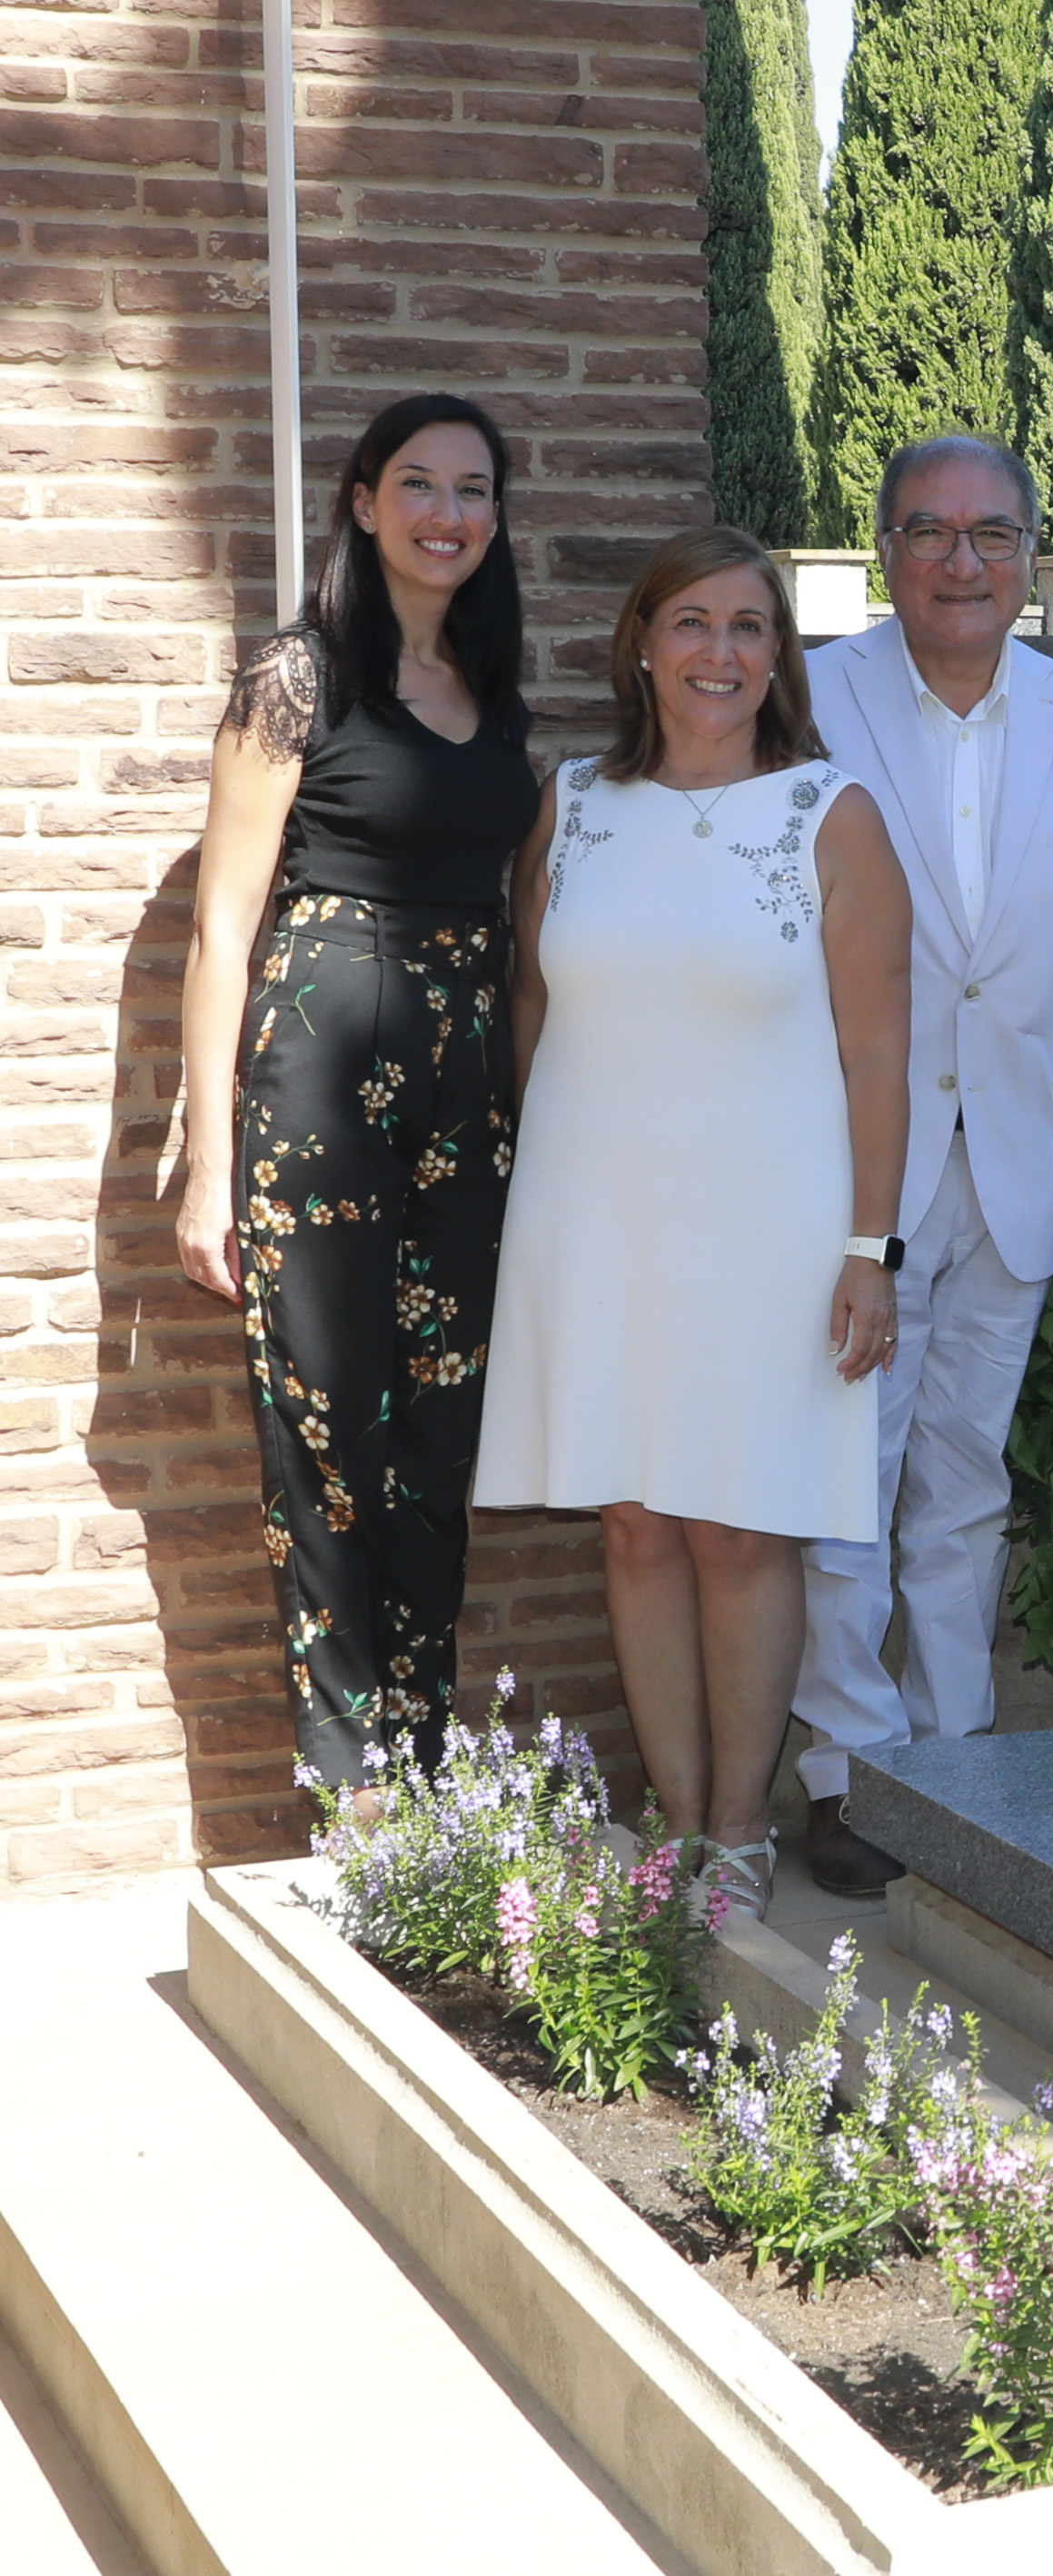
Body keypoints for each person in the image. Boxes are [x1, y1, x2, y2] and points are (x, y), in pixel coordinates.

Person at [477, 528, 909, 1920]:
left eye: (749, 629)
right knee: (631, 1523)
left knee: (741, 1530)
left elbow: (881, 1058)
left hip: (772, 1230)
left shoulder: (827, 815)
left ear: (778, 658)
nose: (719, 654)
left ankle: (739, 1829)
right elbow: (532, 1008)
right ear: (642, 645)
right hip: (594, 1219)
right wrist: (526, 1212)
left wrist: (868, 1251)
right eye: (693, 624)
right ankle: (672, 1821)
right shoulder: (575, 806)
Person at [791, 436, 1053, 1896]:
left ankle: (951, 1773)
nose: (962, 563)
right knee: (846, 1478)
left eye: (992, 536)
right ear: (882, 549)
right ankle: (842, 1777)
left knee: (959, 1487)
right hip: (848, 1173)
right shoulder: (809, 696)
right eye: (928, 532)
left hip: (1019, 1169)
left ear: (1034, 555)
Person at [174, 395, 535, 1786]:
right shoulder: (295, 678)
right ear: (365, 503)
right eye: (421, 485)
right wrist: (210, 1162)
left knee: (439, 1438)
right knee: (326, 1439)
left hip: (466, 1103)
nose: (449, 514)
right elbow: (223, 928)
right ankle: (352, 1799)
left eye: (475, 492)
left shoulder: (495, 693)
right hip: (318, 1091)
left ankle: (428, 1779)